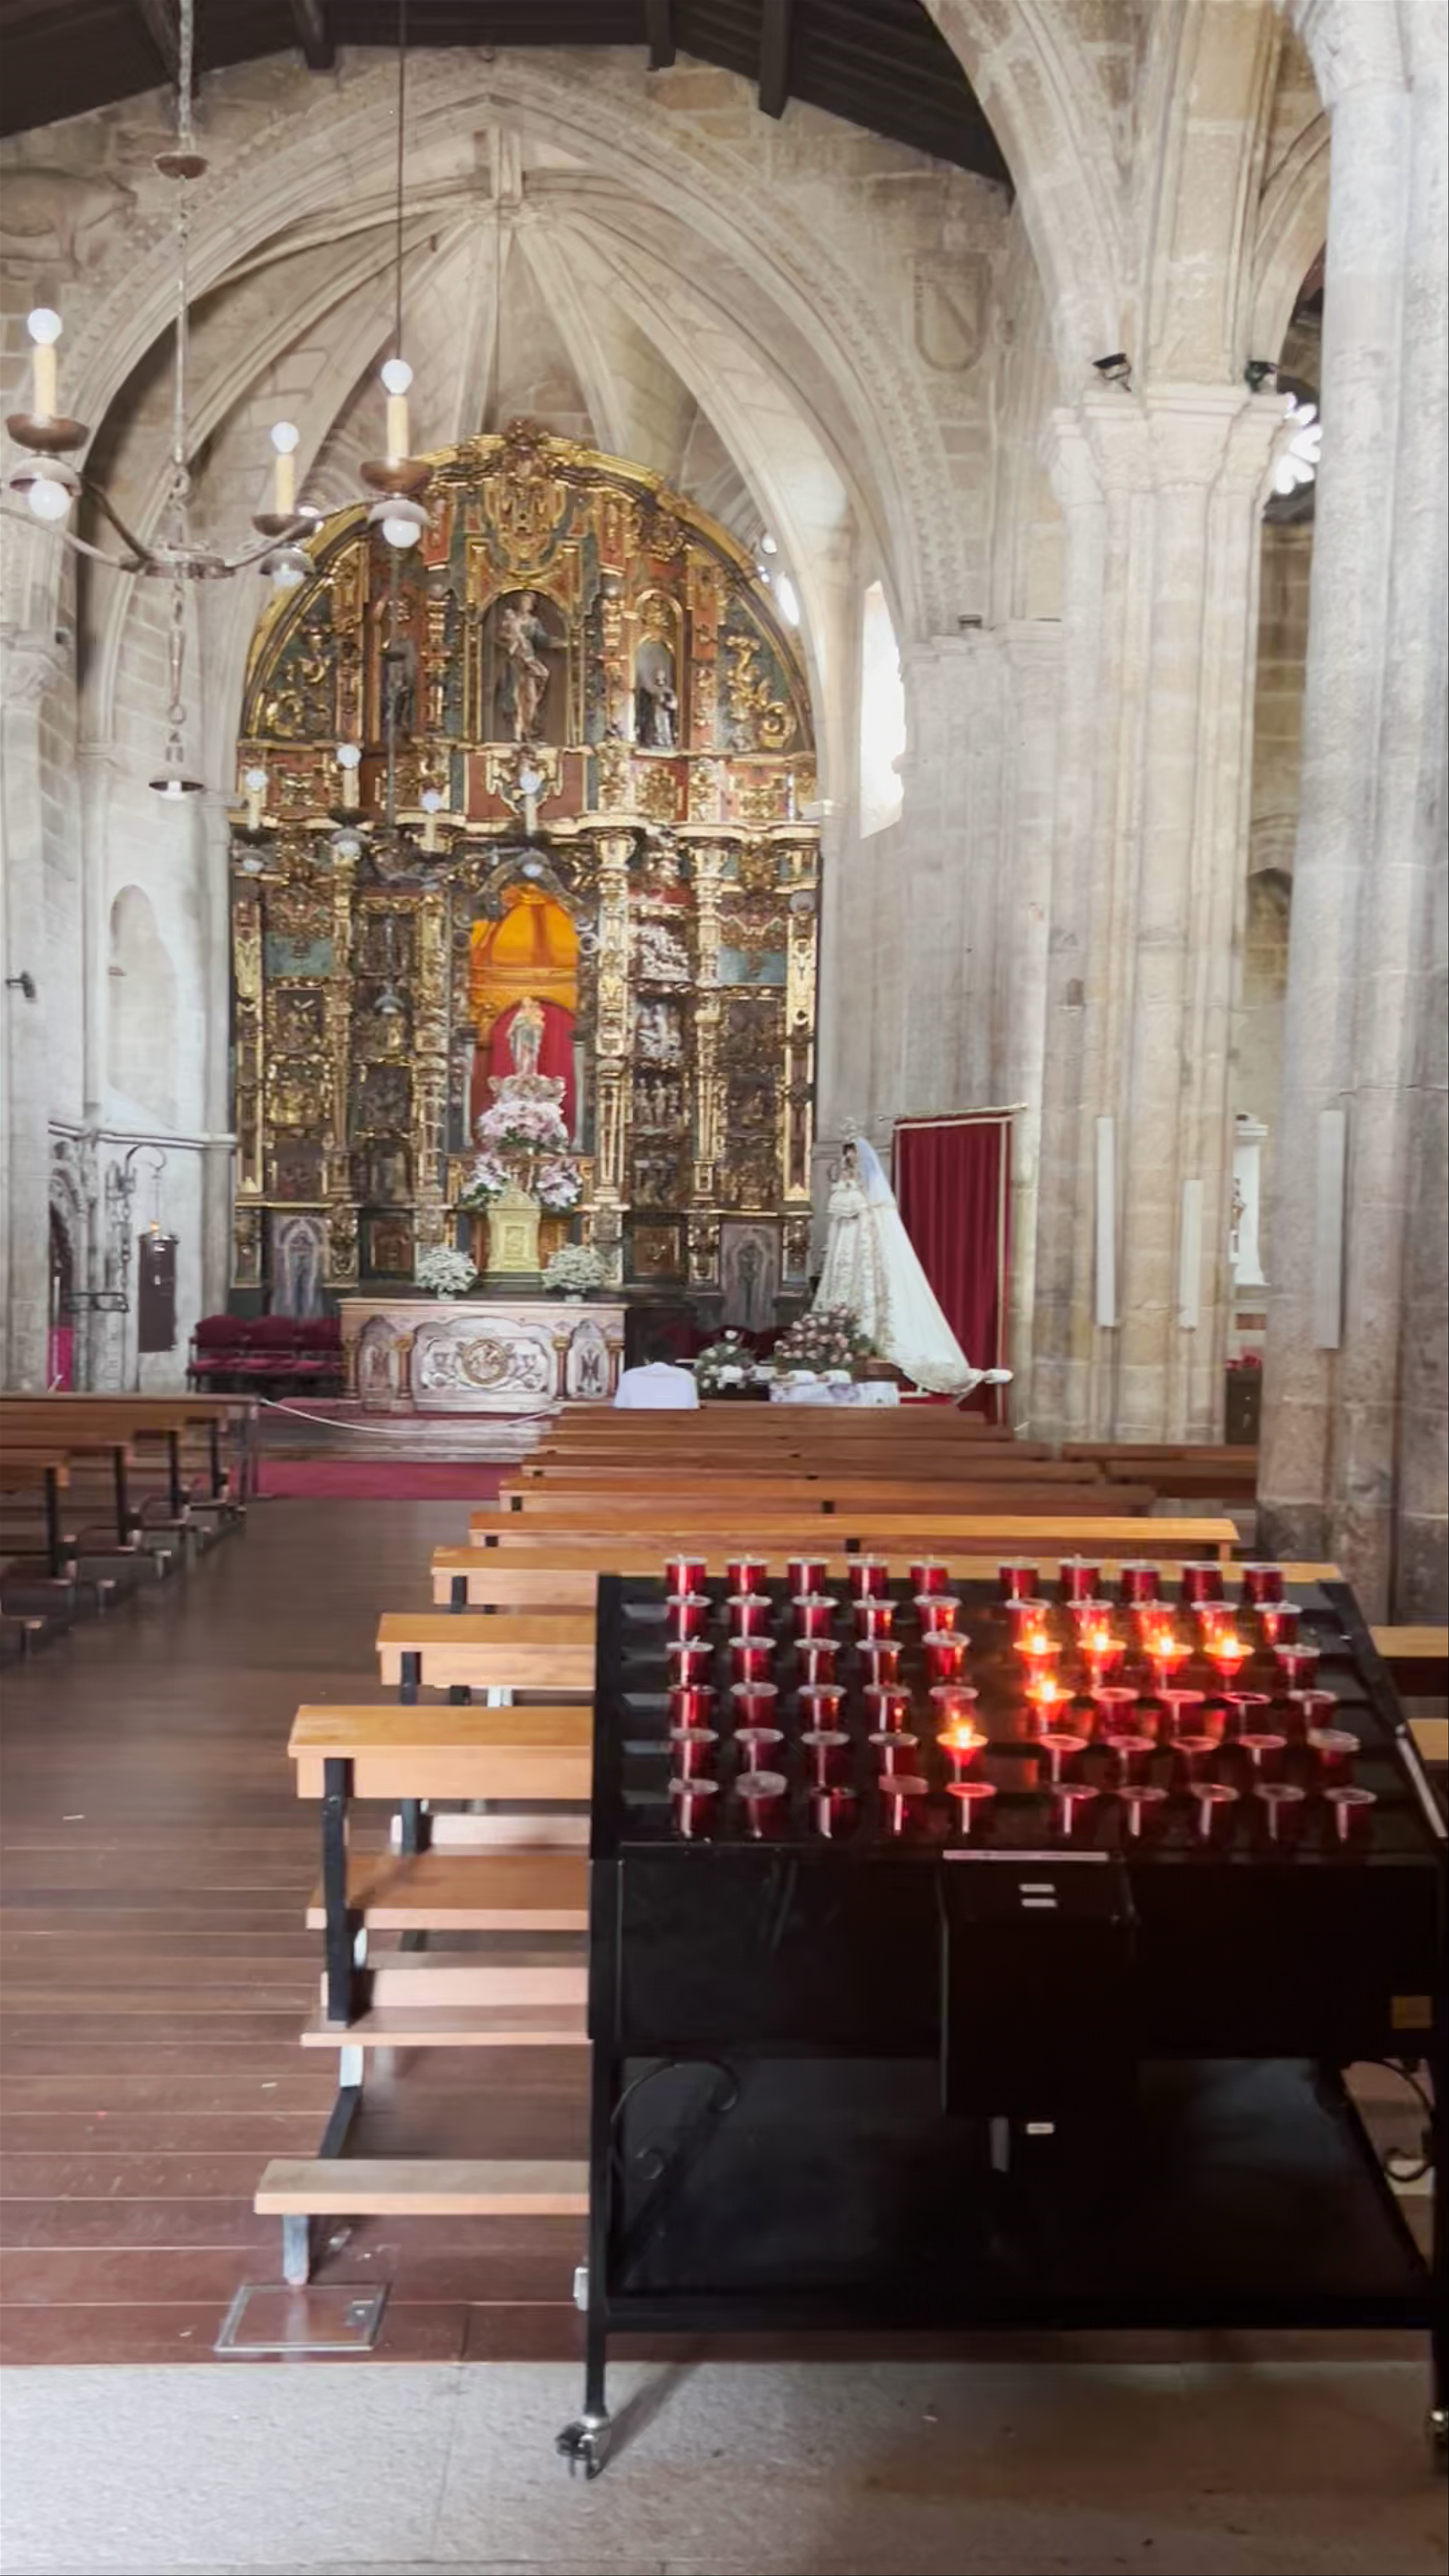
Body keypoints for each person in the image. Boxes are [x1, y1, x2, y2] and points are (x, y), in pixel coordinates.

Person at [814, 1137, 1011, 1400]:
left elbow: (878, 1224)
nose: (850, 1162)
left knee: (876, 1300)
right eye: (847, 1158)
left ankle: (872, 1342)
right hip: (845, 1248)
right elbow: (839, 1218)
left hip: (866, 1245)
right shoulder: (844, 1187)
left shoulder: (875, 1201)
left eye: (854, 1157)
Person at [614, 1332, 701, 1410]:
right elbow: (693, 1409)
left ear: (646, 1359)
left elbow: (619, 1408)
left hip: (638, 1426)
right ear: (673, 1359)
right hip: (676, 1426)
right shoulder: (686, 1377)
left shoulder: (629, 1377)